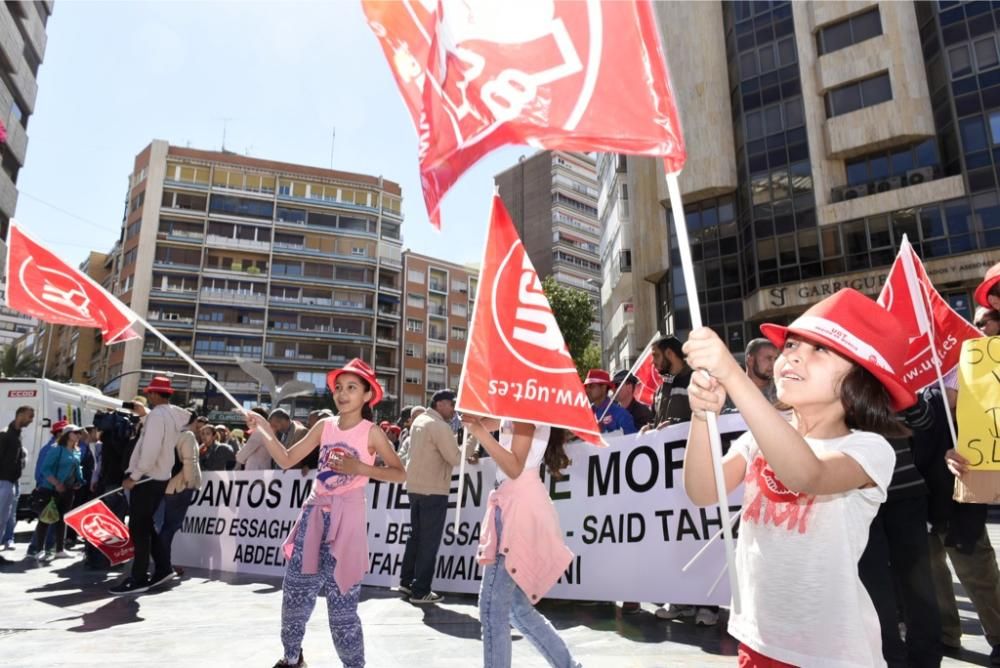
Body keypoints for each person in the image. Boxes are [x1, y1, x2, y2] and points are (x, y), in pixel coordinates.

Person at [682, 288, 914, 666]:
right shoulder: (758, 436)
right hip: (757, 638)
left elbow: (808, 474)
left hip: (829, 652)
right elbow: (703, 490)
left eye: (819, 349)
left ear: (860, 380)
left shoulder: (869, 449)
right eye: (791, 344)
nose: (791, 354)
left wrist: (732, 375)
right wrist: (701, 415)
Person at [244, 358, 405, 668]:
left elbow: (400, 473)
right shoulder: (324, 425)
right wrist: (263, 428)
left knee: (342, 606)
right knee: (294, 594)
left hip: (349, 523)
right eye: (339, 388)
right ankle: (292, 658)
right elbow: (288, 458)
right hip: (313, 517)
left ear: (367, 395)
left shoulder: (372, 433)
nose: (342, 394)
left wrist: (361, 468)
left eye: (352, 388)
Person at [461, 415, 582, 668]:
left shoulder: (526, 415)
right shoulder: (517, 412)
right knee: (516, 607)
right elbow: (489, 424)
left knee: (492, 609)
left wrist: (478, 431)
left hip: (517, 510)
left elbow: (514, 467)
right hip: (516, 504)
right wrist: (474, 419)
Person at [858, 393, 942, 668]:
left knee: (914, 582)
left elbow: (926, 420)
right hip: (863, 496)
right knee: (875, 584)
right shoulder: (838, 382)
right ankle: (891, 657)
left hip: (900, 492)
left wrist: (905, 395)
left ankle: (922, 658)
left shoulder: (891, 383)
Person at [110, 376, 191, 595]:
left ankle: (139, 578)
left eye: (149, 393)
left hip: (146, 478)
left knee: (139, 529)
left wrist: (134, 476)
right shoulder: (171, 415)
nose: (148, 396)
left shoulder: (157, 415)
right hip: (158, 477)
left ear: (155, 394)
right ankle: (163, 568)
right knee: (145, 526)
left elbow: (151, 449)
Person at [400, 389, 472, 604]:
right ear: (441, 404)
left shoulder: (420, 420)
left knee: (416, 537)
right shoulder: (439, 426)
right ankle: (421, 590)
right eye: (452, 405)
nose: (454, 410)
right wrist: (474, 437)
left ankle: (406, 582)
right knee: (428, 542)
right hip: (433, 489)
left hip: (415, 487)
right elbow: (456, 458)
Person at [28, 424, 86, 562]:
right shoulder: (57, 449)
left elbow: (77, 468)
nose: (78, 435)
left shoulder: (76, 451)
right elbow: (45, 469)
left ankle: (59, 549)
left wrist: (79, 481)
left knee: (62, 519)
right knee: (45, 519)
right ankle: (39, 550)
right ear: (67, 434)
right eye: (75, 432)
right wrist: (56, 483)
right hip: (51, 489)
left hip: (68, 490)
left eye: (79, 432)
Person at [161, 411, 202, 577]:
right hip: (181, 485)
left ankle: (164, 563)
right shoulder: (188, 436)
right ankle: (164, 565)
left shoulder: (169, 433)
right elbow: (189, 462)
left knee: (166, 527)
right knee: (170, 527)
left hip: (166, 486)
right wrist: (191, 483)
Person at [0, 406, 33, 562]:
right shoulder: (5, 434)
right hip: (3, 482)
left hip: (11, 482)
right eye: (29, 416)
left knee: (4, 518)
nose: (31, 420)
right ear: (20, 415)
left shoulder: (16, 435)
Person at [644, 335, 693, 431]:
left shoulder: (696, 381)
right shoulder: (659, 390)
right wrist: (651, 428)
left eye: (656, 355)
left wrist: (675, 424)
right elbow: (658, 424)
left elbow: (710, 419)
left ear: (669, 353)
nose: (652, 362)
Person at [584, 369, 636, 435]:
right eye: (586, 387)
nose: (587, 390)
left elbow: (632, 441)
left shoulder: (621, 415)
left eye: (591, 386)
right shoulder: (584, 414)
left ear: (603, 388)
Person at [271, 409, 313, 474]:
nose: (276, 429)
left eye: (275, 426)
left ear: (282, 421)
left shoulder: (300, 432)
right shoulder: (283, 434)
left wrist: (308, 465)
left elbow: (310, 454)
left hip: (296, 476)